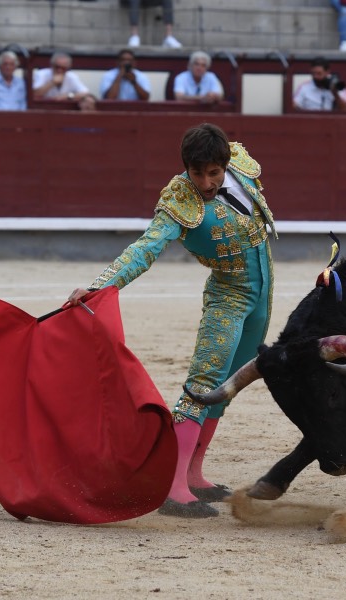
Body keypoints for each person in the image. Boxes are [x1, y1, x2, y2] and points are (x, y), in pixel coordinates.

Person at [67, 123, 276, 519]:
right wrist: (99, 287)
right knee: (202, 383)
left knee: (228, 385)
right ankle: (174, 486)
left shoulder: (242, 166)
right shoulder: (178, 200)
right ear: (187, 170)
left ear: (225, 165)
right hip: (228, 299)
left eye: (213, 173)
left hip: (262, 298)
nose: (206, 182)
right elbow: (145, 249)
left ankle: (195, 474)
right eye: (198, 174)